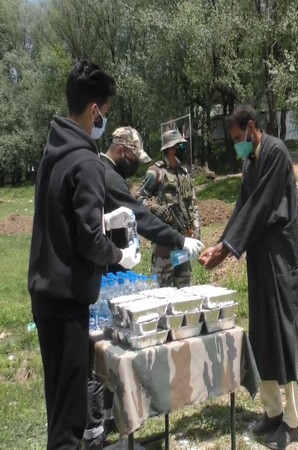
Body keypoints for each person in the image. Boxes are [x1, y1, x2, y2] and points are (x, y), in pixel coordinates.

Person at [28, 60, 141, 450]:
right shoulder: (86, 161)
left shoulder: (53, 154)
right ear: (95, 111)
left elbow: (63, 219)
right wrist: (119, 255)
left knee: (58, 406)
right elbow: (88, 241)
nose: (104, 121)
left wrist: (102, 219)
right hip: (66, 302)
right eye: (105, 114)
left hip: (45, 297)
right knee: (71, 421)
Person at [199, 104, 298, 450]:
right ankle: (272, 412)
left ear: (251, 127)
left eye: (238, 139)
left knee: (285, 337)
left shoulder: (276, 153)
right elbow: (243, 206)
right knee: (263, 335)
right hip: (261, 262)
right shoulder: (250, 163)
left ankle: (291, 423)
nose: (238, 147)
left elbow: (262, 205)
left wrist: (227, 248)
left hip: (282, 261)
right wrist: (221, 242)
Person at [83, 127, 204, 449]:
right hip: (105, 276)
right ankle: (95, 431)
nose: (136, 163)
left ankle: (107, 419)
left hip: (111, 268)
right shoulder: (108, 175)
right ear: (123, 151)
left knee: (106, 349)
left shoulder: (102, 171)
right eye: (134, 157)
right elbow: (140, 212)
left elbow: (189, 203)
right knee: (100, 351)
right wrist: (176, 237)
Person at [136, 129, 201, 287]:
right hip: (164, 241)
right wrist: (155, 208)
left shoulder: (184, 172)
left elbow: (192, 203)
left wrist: (197, 227)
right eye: (181, 146)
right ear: (171, 148)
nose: (184, 149)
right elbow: (139, 198)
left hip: (185, 239)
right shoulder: (156, 172)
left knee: (184, 289)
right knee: (162, 290)